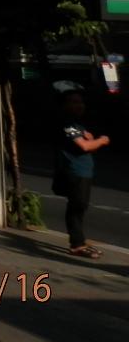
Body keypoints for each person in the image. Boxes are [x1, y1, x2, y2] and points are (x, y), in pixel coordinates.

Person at [54, 88, 111, 258]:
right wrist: (101, 140)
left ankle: (80, 241)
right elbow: (85, 146)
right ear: (65, 105)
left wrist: (93, 140)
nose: (80, 105)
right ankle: (77, 245)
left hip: (83, 171)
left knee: (80, 206)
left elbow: (89, 145)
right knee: (76, 206)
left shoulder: (77, 125)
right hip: (75, 171)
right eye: (75, 102)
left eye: (81, 102)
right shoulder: (68, 125)